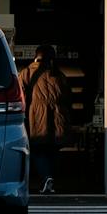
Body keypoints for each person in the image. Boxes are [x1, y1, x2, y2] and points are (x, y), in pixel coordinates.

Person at [17, 43, 71, 194]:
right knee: (53, 149)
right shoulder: (59, 75)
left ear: (36, 56)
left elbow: (20, 97)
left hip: (37, 117)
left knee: (37, 149)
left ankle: (47, 177)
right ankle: (50, 178)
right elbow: (67, 97)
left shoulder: (26, 73)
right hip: (58, 116)